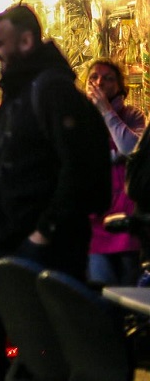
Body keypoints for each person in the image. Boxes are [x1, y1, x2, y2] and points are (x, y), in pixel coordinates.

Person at [0, 4, 112, 380]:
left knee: (38, 337)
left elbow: (80, 169)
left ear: (26, 41)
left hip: (40, 241)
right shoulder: (22, 94)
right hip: (10, 236)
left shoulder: (51, 92)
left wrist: (44, 230)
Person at [85, 58, 146, 285]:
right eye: (94, 77)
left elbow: (130, 148)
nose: (100, 82)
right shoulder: (81, 116)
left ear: (120, 86)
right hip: (95, 220)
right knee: (102, 289)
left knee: (128, 289)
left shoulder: (133, 116)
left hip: (127, 219)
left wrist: (107, 112)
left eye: (108, 78)